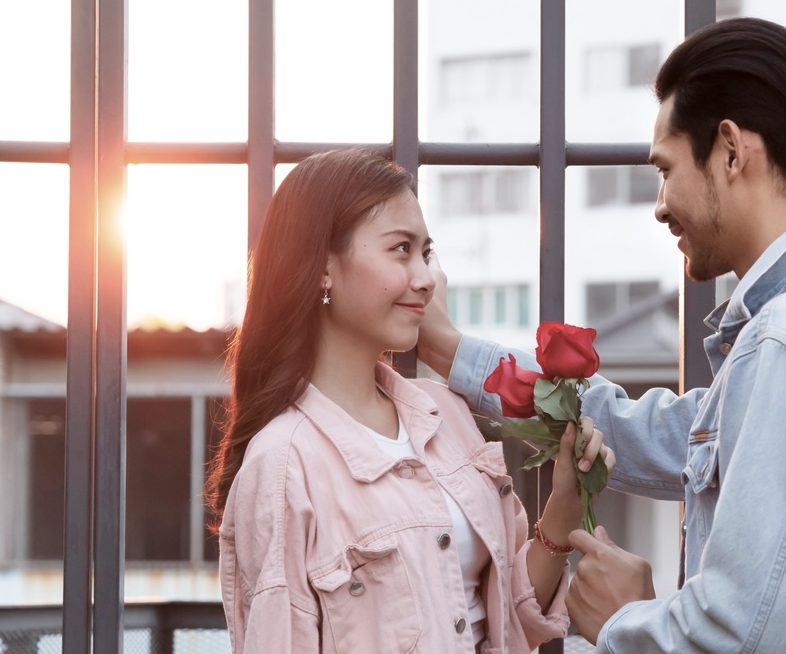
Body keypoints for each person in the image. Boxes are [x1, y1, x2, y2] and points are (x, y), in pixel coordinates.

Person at [416, 17, 786, 653]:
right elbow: (659, 433)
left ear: (729, 150)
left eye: (665, 169)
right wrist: (450, 350)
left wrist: (623, 618)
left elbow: (739, 636)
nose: (661, 203)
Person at [203, 147, 613, 653]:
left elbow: (513, 624)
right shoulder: (283, 464)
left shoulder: (447, 416)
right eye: (400, 249)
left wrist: (565, 505)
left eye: (426, 252)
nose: (426, 278)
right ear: (322, 268)